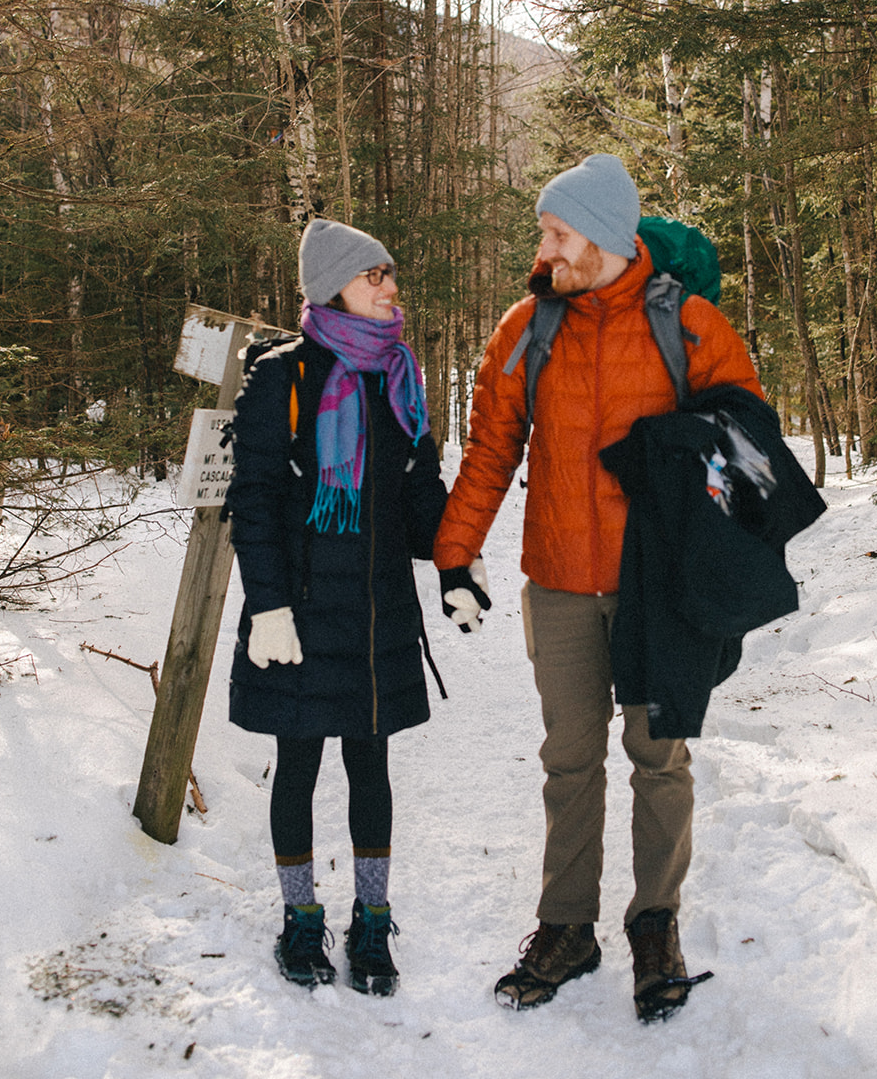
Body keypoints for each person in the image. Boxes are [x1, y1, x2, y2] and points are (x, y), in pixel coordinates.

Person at [433, 154, 763, 1023]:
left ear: (608, 239)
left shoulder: (691, 327)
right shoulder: (527, 327)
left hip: (659, 589)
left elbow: (750, 448)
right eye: (546, 231)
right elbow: (490, 449)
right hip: (562, 581)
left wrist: (708, 533)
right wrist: (456, 556)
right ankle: (566, 927)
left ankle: (655, 925)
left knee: (659, 756)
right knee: (569, 758)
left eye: (557, 233)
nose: (543, 248)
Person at [226, 217, 447, 997]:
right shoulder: (280, 378)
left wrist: (456, 563)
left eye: (390, 273)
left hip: (379, 609)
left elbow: (421, 491)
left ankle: (374, 920)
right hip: (301, 610)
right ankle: (300, 918)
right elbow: (251, 501)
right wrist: (269, 607)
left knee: (371, 764)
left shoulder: (400, 377)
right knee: (297, 763)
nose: (392, 288)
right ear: (335, 289)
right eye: (376, 275)